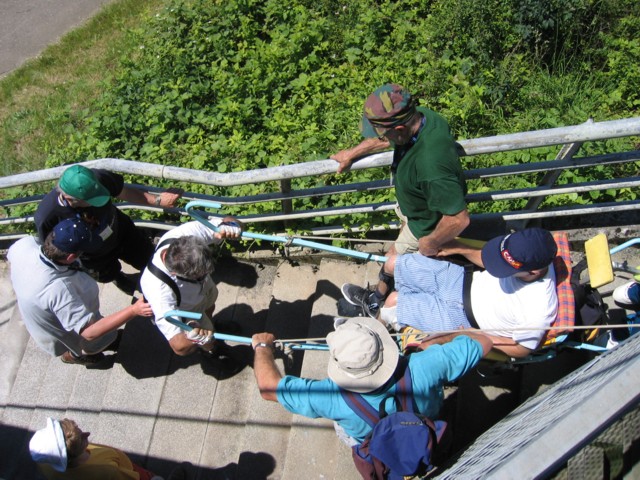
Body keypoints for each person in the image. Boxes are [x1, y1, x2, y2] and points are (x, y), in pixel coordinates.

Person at [332, 84, 470, 315]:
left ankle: (376, 300)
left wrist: (430, 242)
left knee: (391, 259)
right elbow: (389, 140)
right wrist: (351, 154)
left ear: (398, 128)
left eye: (382, 131)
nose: (381, 137)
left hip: (424, 225)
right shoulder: (423, 117)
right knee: (399, 257)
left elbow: (458, 219)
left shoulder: (430, 164)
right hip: (416, 209)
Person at [251, 316, 492, 446]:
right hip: (427, 421)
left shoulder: (330, 398)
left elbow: (268, 388)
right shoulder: (426, 364)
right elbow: (485, 343)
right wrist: (453, 336)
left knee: (343, 427)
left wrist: (262, 347)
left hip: (370, 437)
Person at [371, 228, 559, 358]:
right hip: (459, 279)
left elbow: (522, 349)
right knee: (393, 263)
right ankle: (373, 300)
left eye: (505, 268)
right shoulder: (528, 250)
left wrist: (475, 335)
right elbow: (490, 261)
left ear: (533, 272)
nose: (499, 266)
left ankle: (373, 332)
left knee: (393, 302)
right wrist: (460, 248)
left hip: (462, 317)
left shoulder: (539, 308)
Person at [8, 218, 153, 366]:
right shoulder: (60, 291)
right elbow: (90, 332)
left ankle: (86, 351)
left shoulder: (25, 245)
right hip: (62, 328)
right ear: (70, 257)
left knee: (103, 336)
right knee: (97, 340)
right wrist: (134, 310)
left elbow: (12, 257)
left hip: (39, 310)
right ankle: (76, 355)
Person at [34, 164, 183, 294]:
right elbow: (53, 247)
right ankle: (119, 279)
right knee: (108, 274)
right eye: (92, 200)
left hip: (122, 232)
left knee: (148, 257)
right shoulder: (47, 215)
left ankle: (162, 281)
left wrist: (157, 200)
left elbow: (124, 192)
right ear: (70, 198)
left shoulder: (97, 180)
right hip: (93, 256)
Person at [139, 219, 242, 359]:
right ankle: (212, 350)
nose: (206, 275)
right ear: (175, 273)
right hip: (187, 311)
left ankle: (211, 325)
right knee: (206, 337)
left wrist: (233, 226)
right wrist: (194, 338)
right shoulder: (158, 290)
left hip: (203, 292)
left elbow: (227, 221)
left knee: (209, 307)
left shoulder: (184, 236)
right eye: (199, 276)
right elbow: (178, 347)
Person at [29, 417, 187, 480]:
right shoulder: (105, 470)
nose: (87, 434)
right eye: (82, 439)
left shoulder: (44, 462)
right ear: (73, 455)